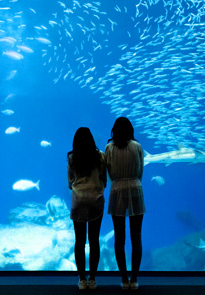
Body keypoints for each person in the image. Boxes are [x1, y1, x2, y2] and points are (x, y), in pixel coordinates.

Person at [105, 117, 146, 291]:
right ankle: (134, 279)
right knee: (136, 237)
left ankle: (123, 279)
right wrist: (134, 182)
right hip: (136, 188)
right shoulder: (137, 146)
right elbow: (140, 170)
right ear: (130, 130)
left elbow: (108, 171)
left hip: (117, 190)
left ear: (114, 130)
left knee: (119, 238)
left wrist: (117, 182)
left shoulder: (109, 148)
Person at [68, 127, 107, 290]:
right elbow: (104, 179)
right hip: (95, 200)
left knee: (79, 241)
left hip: (78, 200)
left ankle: (82, 280)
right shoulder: (100, 156)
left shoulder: (72, 158)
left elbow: (70, 182)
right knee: (94, 241)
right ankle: (92, 279)